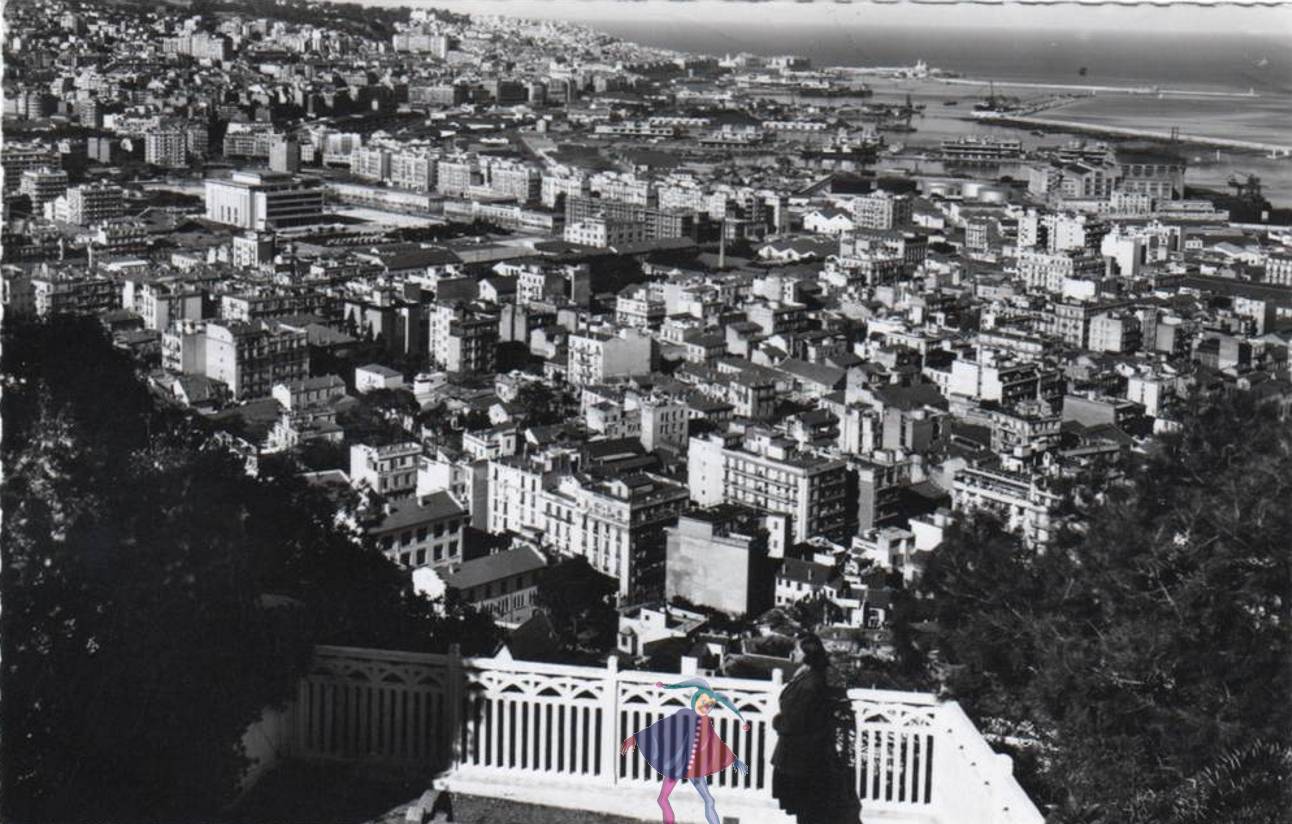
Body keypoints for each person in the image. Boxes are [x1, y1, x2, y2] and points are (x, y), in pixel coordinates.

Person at [620, 677, 751, 824]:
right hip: (676, 764)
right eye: (703, 701)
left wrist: (733, 759)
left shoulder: (707, 723)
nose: (707, 706)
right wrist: (637, 738)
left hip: (694, 767)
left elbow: (716, 743)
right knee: (664, 799)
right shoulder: (684, 714)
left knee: (709, 800)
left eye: (710, 704)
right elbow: (661, 726)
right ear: (695, 700)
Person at [771, 633, 862, 824]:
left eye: (796, 649)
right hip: (801, 756)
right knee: (805, 809)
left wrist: (778, 722)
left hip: (803, 757)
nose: (792, 653)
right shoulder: (807, 675)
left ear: (807, 654)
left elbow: (798, 720)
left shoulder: (811, 682)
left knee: (807, 810)